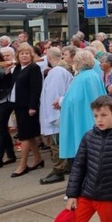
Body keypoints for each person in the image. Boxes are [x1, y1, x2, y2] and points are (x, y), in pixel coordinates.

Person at [3, 43, 44, 177]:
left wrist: (33, 107)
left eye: (27, 53)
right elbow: (11, 85)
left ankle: (23, 164)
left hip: (28, 107)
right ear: (18, 56)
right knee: (29, 135)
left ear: (31, 55)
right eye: (22, 53)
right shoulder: (18, 68)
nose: (24, 55)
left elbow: (36, 89)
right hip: (18, 105)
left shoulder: (34, 68)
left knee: (24, 136)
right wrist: (8, 72)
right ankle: (38, 159)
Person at [39, 48, 74, 184]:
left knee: (56, 144)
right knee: (58, 143)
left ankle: (58, 170)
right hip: (59, 115)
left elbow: (55, 95)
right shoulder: (61, 71)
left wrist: (53, 117)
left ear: (48, 57)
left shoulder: (56, 72)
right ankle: (63, 167)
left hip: (56, 116)